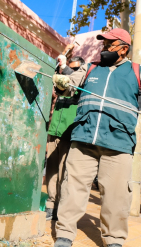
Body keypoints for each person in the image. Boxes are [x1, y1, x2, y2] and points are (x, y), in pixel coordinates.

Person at [52, 28, 141, 247]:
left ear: (123, 49)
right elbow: (71, 85)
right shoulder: (90, 68)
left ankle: (114, 240)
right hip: (84, 137)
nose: (103, 48)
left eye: (109, 44)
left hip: (119, 143)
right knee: (72, 189)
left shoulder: (138, 72)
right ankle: (65, 234)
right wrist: (63, 82)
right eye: (103, 44)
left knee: (117, 197)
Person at [45, 56, 85, 221]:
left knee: (64, 171)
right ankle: (51, 205)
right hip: (54, 129)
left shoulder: (82, 80)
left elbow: (74, 83)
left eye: (76, 69)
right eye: (71, 68)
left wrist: (65, 69)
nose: (73, 71)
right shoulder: (62, 81)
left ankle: (61, 205)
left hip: (69, 131)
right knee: (51, 169)